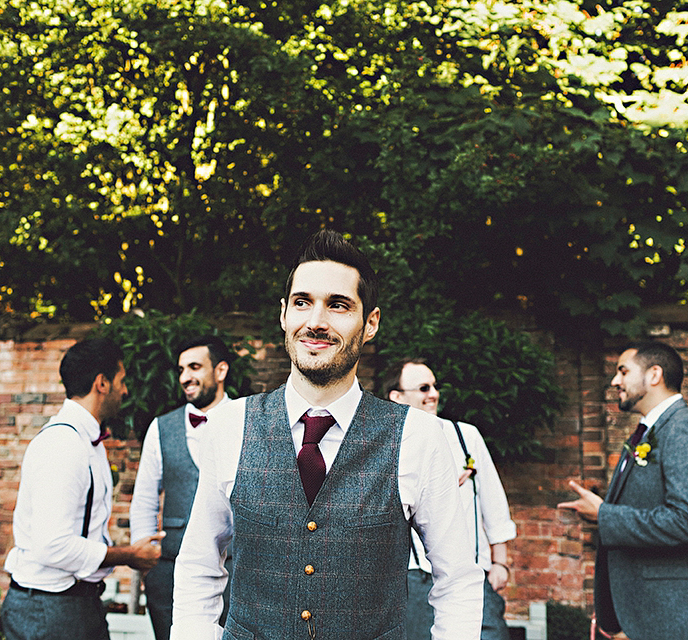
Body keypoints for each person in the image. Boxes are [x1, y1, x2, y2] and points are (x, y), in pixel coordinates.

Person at [170, 230, 483, 640]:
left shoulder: (417, 437)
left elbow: (457, 579)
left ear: (370, 323)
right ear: (284, 314)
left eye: (338, 305)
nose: (316, 322)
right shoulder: (230, 425)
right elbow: (199, 565)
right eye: (303, 303)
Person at [557, 340, 688, 640]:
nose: (616, 381)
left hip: (678, 616)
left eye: (623, 371)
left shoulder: (685, 429)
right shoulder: (650, 432)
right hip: (644, 615)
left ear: (654, 375)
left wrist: (605, 515)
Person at [2, 337, 164, 640]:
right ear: (102, 383)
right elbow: (53, 546)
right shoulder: (64, 446)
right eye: (121, 380)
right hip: (51, 611)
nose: (126, 390)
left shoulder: (87, 441)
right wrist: (129, 555)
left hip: (74, 605)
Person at [384, 359, 516, 640]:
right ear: (397, 397)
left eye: (434, 386)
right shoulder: (387, 446)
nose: (433, 393)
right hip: (414, 579)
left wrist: (500, 563)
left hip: (473, 574)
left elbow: (493, 501)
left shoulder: (466, 436)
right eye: (423, 388)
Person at [131, 335, 234, 640]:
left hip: (236, 569)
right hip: (170, 572)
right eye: (181, 369)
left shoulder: (246, 420)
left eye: (194, 367)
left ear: (221, 370)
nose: (185, 377)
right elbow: (145, 498)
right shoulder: (161, 427)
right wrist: (147, 562)